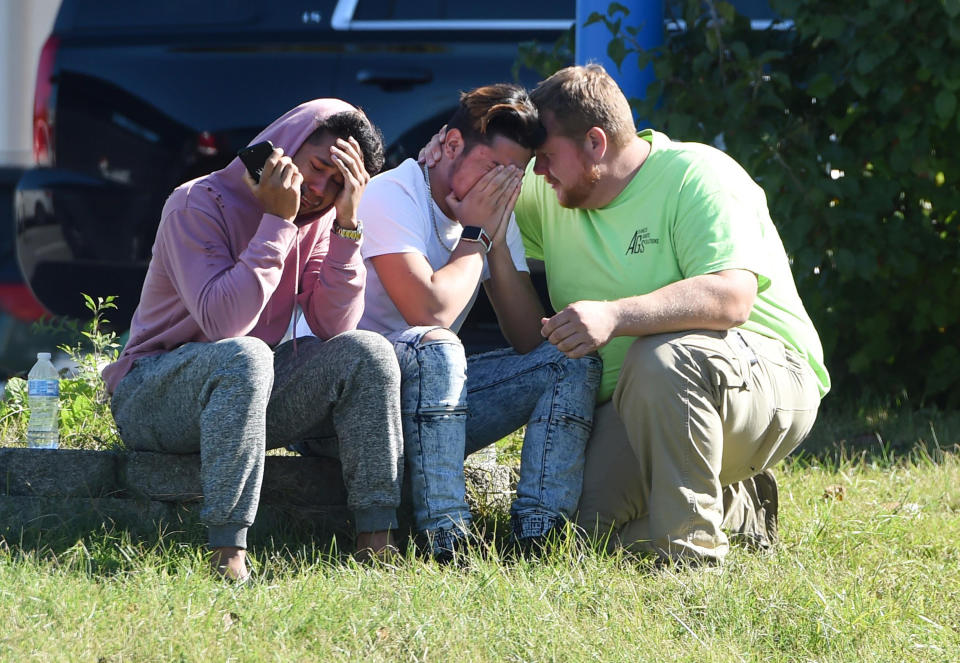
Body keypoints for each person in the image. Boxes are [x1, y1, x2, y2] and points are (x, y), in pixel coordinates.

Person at [428, 65, 829, 566]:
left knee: (661, 358)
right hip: (639, 407)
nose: (538, 172)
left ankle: (692, 559)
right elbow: (465, 190)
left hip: (766, 384)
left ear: (596, 143)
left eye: (547, 157)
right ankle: (736, 506)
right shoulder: (554, 190)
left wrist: (616, 315)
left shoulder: (699, 175)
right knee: (572, 537)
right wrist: (430, 166)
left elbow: (732, 298)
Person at [102, 99, 404, 580]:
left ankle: (376, 541)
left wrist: (347, 227)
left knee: (368, 351)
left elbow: (335, 327)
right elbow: (225, 323)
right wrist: (278, 224)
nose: (318, 191)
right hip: (153, 392)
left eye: (339, 184)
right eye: (318, 168)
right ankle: (228, 553)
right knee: (244, 354)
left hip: (244, 387)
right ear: (284, 149)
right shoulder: (194, 202)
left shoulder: (323, 221)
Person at [337, 83, 601, 561]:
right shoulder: (390, 194)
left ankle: (540, 535)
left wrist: (494, 239)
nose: (500, 187)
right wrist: (475, 237)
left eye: (514, 176)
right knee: (436, 342)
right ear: (452, 145)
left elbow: (526, 338)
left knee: (570, 360)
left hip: (436, 401)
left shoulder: (488, 214)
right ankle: (448, 538)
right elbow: (430, 311)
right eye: (492, 169)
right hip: (363, 410)